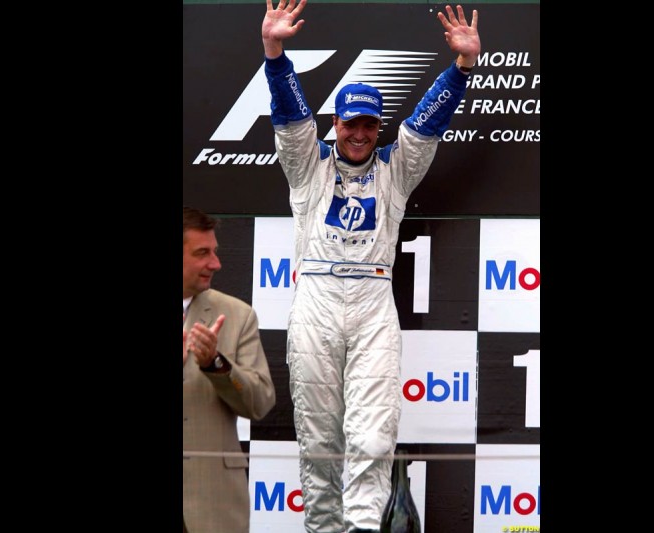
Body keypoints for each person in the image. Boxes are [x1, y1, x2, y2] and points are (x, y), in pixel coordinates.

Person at [261, 1, 481, 531]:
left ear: (377, 126)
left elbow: (428, 122)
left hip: (373, 303)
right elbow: (290, 117)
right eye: (349, 121)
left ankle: (363, 527)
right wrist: (275, 54)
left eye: (367, 123)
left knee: (374, 434)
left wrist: (462, 69)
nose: (358, 132)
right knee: (319, 437)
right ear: (336, 122)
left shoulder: (395, 168)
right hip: (315, 300)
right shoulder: (306, 164)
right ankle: (323, 527)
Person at [182, 206, 276, 533]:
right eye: (202, 253)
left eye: (215, 252)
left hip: (214, 505)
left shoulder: (238, 316)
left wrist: (216, 364)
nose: (216, 263)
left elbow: (260, 402)